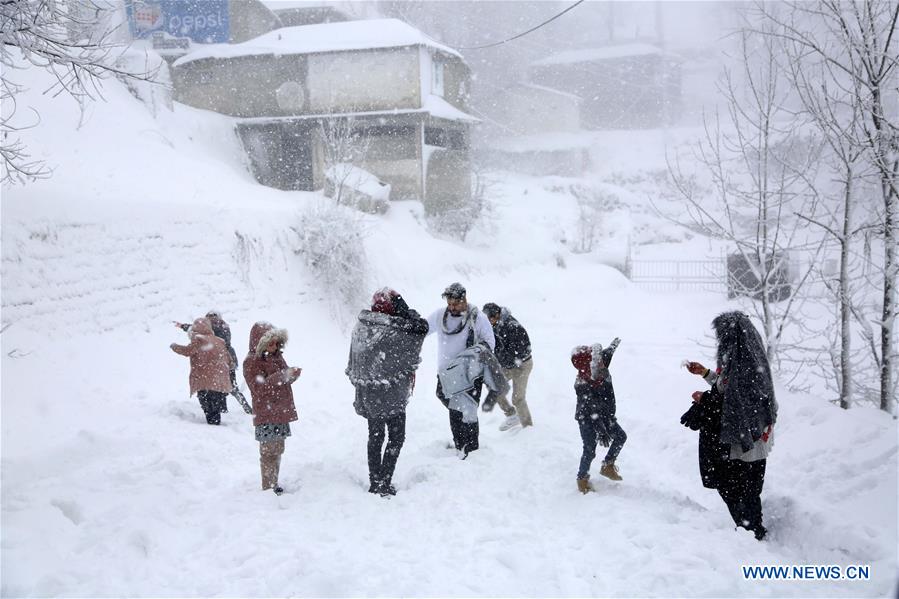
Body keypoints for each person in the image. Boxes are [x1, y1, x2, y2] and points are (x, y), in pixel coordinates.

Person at [683, 311, 777, 541]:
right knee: (749, 487)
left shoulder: (743, 367)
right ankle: (752, 528)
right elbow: (729, 387)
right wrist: (705, 373)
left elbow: (733, 400)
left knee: (734, 486)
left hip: (744, 440)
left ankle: (749, 533)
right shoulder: (748, 360)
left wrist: (704, 400)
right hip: (752, 436)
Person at [346, 288, 429, 496]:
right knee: (396, 437)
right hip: (391, 394)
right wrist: (405, 308)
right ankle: (385, 480)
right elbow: (421, 328)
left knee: (375, 436)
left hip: (369, 394)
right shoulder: (396, 330)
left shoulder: (362, 327)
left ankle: (375, 482)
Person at [426, 282, 498, 458]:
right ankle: (461, 446)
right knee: (454, 407)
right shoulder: (440, 315)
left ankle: (470, 449)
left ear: (464, 299)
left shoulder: (477, 317)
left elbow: (490, 342)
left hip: (470, 374)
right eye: (449, 304)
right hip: (446, 374)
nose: (452, 307)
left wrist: (473, 353)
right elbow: (423, 329)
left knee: (467, 411)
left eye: (455, 304)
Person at [243, 322, 301, 496]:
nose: (274, 346)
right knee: (268, 452)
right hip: (267, 413)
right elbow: (258, 389)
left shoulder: (276, 357)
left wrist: (291, 376)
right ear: (259, 343)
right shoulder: (251, 362)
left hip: (279, 411)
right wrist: (283, 376)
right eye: (270, 343)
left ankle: (273, 483)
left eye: (276, 342)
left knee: (277, 449)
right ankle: (268, 488)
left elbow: (280, 379)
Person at [570, 338, 626, 493]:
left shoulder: (599, 367)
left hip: (605, 416)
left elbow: (607, 354)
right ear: (587, 366)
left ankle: (608, 466)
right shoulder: (582, 384)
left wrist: (613, 346)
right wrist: (601, 429)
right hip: (587, 419)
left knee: (621, 436)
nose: (601, 362)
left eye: (599, 359)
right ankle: (582, 479)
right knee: (590, 449)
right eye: (596, 360)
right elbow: (591, 410)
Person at [175, 310, 249, 414]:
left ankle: (229, 408)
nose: (210, 319)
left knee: (226, 386)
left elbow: (197, 330)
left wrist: (185, 327)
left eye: (211, 317)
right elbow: (196, 329)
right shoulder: (223, 326)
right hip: (227, 359)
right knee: (227, 386)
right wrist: (183, 326)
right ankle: (236, 408)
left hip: (222, 360)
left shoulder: (214, 330)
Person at [170, 317, 235, 425]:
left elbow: (187, 351)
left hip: (204, 378)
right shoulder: (219, 340)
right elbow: (229, 360)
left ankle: (212, 424)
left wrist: (174, 347)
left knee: (206, 401)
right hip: (219, 379)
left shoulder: (199, 339)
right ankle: (215, 421)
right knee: (215, 402)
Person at [481, 302, 534, 430]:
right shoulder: (492, 326)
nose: (488, 322)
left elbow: (523, 350)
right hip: (507, 365)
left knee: (518, 398)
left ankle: (528, 428)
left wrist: (502, 359)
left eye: (490, 319)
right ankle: (511, 415)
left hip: (522, 365)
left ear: (497, 315)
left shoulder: (513, 327)